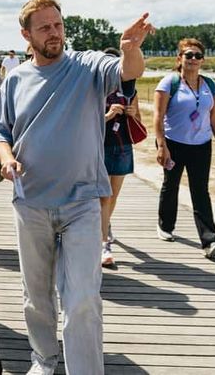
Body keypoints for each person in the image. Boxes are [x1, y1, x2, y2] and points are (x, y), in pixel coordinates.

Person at [0, 0, 153, 375]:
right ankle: (44, 360)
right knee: (36, 295)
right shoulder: (15, 79)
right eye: (44, 27)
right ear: (26, 34)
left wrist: (130, 50)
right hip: (30, 201)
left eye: (58, 24)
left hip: (82, 201)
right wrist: (5, 156)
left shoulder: (87, 65)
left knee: (82, 297)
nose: (54, 33)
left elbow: (129, 72)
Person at [153, 38, 215, 259]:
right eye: (188, 55)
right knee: (171, 185)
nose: (193, 59)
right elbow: (158, 117)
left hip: (201, 146)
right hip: (174, 143)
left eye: (197, 55)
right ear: (180, 59)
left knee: (200, 191)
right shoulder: (169, 83)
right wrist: (161, 146)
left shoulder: (210, 85)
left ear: (203, 60)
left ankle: (211, 240)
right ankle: (165, 225)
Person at [100, 47, 141, 268]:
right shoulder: (95, 89)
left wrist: (132, 113)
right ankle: (104, 243)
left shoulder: (130, 90)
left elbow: (139, 121)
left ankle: (105, 225)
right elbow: (85, 121)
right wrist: (107, 115)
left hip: (122, 146)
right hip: (100, 146)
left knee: (112, 197)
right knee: (103, 197)